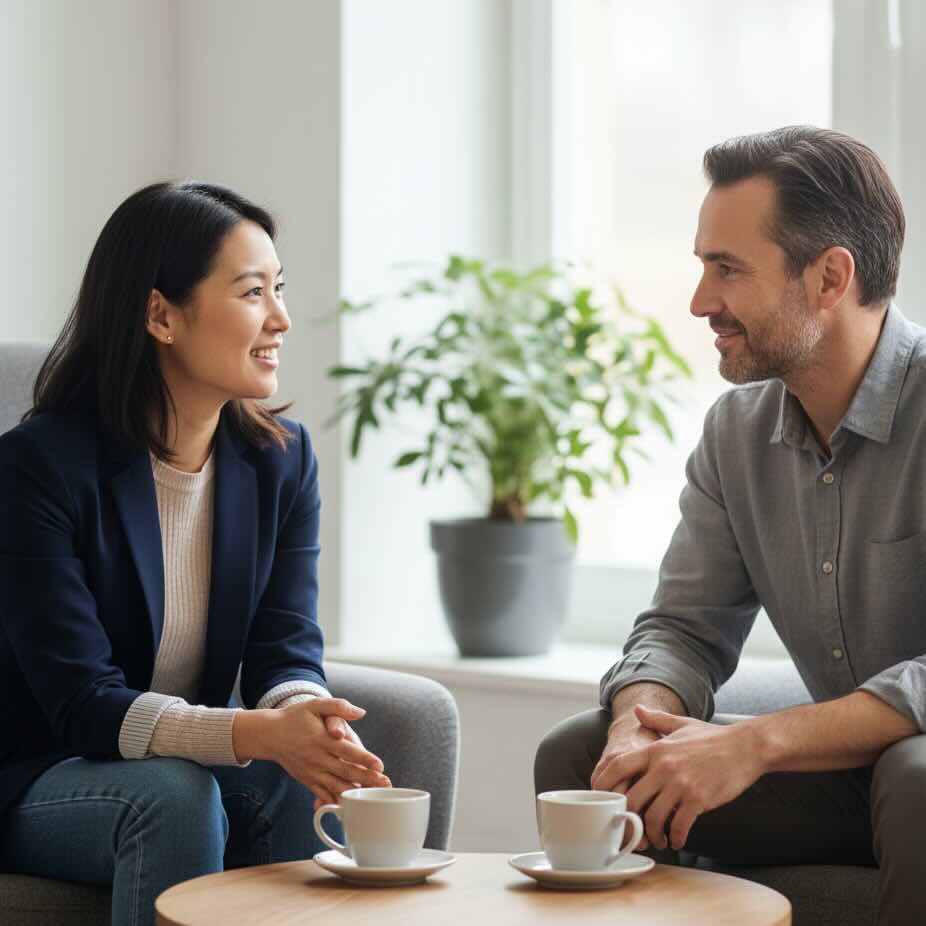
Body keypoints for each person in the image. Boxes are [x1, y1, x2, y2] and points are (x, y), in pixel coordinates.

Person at [534, 126, 926, 924]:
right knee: (579, 755)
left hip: (914, 775)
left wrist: (756, 742)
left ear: (830, 277)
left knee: (914, 774)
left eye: (727, 270)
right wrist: (634, 729)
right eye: (701, 267)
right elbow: (681, 627)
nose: (699, 302)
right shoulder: (735, 433)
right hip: (850, 779)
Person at [0, 181, 391, 925]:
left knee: (325, 787)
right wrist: (254, 733)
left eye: (278, 289)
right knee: (175, 795)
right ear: (160, 315)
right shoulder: (36, 468)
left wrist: (311, 722)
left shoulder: (281, 460)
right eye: (252, 293)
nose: (279, 318)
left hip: (171, 765)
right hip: (36, 774)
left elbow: (285, 647)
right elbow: (82, 703)